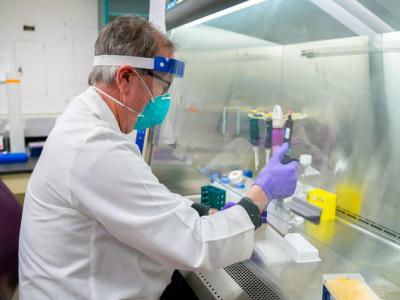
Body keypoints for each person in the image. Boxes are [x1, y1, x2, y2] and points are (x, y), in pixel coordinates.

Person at [19, 16, 297, 299]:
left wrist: (196, 211)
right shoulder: (95, 146)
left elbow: (142, 199)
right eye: (162, 86)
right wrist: (261, 194)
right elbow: (196, 245)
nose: (162, 98)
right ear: (126, 78)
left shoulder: (89, 121)